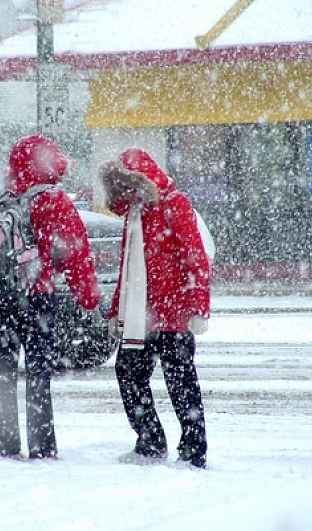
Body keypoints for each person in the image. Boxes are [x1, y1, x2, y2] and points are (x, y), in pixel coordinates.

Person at [0, 135, 100, 460]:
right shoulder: (54, 201)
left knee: (3, 374)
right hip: (37, 299)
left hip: (1, 299)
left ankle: (5, 446)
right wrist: (89, 298)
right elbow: (77, 254)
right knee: (38, 375)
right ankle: (42, 447)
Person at [99, 147, 211, 468]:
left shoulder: (175, 205)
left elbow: (196, 259)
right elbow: (127, 268)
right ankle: (149, 441)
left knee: (181, 383)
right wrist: (115, 313)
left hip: (174, 316)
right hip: (140, 318)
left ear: (143, 179)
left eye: (130, 184)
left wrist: (199, 309)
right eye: (122, 185)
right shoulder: (136, 214)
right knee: (128, 373)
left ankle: (193, 451)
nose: (127, 191)